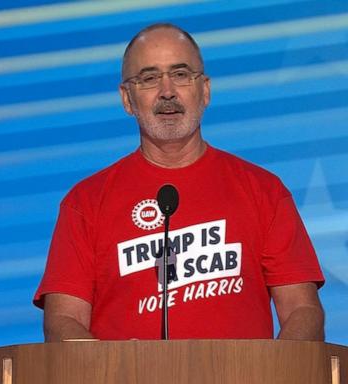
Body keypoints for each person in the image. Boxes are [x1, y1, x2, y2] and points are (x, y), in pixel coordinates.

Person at [34, 23, 325, 342]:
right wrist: (114, 369)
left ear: (205, 90)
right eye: (148, 78)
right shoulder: (85, 202)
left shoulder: (264, 191)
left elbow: (302, 311)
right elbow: (62, 320)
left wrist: (277, 373)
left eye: (181, 74)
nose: (167, 91)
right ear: (127, 99)